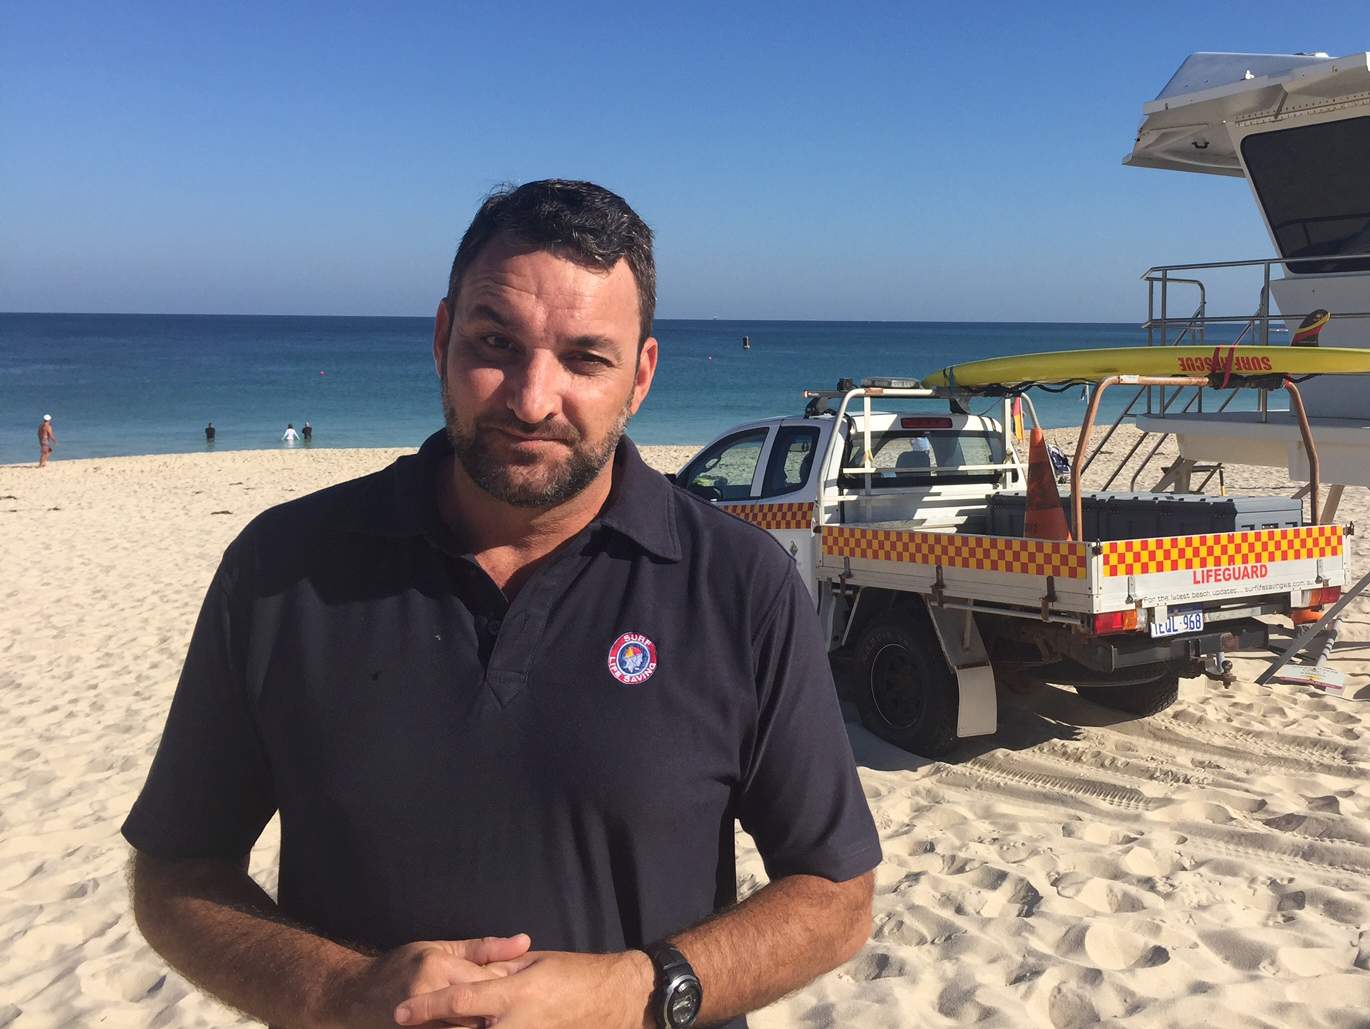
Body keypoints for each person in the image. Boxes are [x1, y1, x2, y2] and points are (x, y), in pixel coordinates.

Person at [124, 179, 880, 1029]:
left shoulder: (739, 585)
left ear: (640, 376)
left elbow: (836, 893)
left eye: (585, 358)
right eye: (495, 343)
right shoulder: (281, 568)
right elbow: (175, 872)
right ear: (441, 338)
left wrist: (634, 991)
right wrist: (337, 991)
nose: (530, 399)